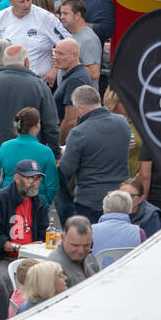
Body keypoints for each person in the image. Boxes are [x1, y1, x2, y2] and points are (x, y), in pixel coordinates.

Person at [0, 45, 60, 197]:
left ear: (4, 61)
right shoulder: (39, 86)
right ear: (26, 62)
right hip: (31, 158)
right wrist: (55, 153)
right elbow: (51, 124)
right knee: (28, 205)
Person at [59, 85, 130, 221]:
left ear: (81, 107)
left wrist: (64, 153)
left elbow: (66, 169)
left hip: (90, 202)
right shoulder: (122, 123)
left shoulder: (79, 132)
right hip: (120, 198)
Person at [0, 0, 69, 84]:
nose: (26, 5)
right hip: (8, 80)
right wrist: (1, 61)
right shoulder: (1, 17)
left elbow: (68, 43)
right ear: (11, 1)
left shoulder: (45, 17)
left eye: (28, 0)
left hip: (39, 81)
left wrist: (55, 69)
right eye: (21, 1)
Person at [0, 159, 50, 277]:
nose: (35, 183)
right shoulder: (0, 199)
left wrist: (36, 248)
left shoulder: (39, 203)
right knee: (5, 278)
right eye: (30, 178)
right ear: (17, 178)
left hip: (32, 258)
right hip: (3, 257)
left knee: (50, 277)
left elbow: (43, 234)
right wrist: (18, 248)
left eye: (37, 179)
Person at [51, 216, 101, 287]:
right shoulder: (54, 267)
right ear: (62, 237)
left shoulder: (88, 255)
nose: (81, 251)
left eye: (86, 245)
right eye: (75, 245)